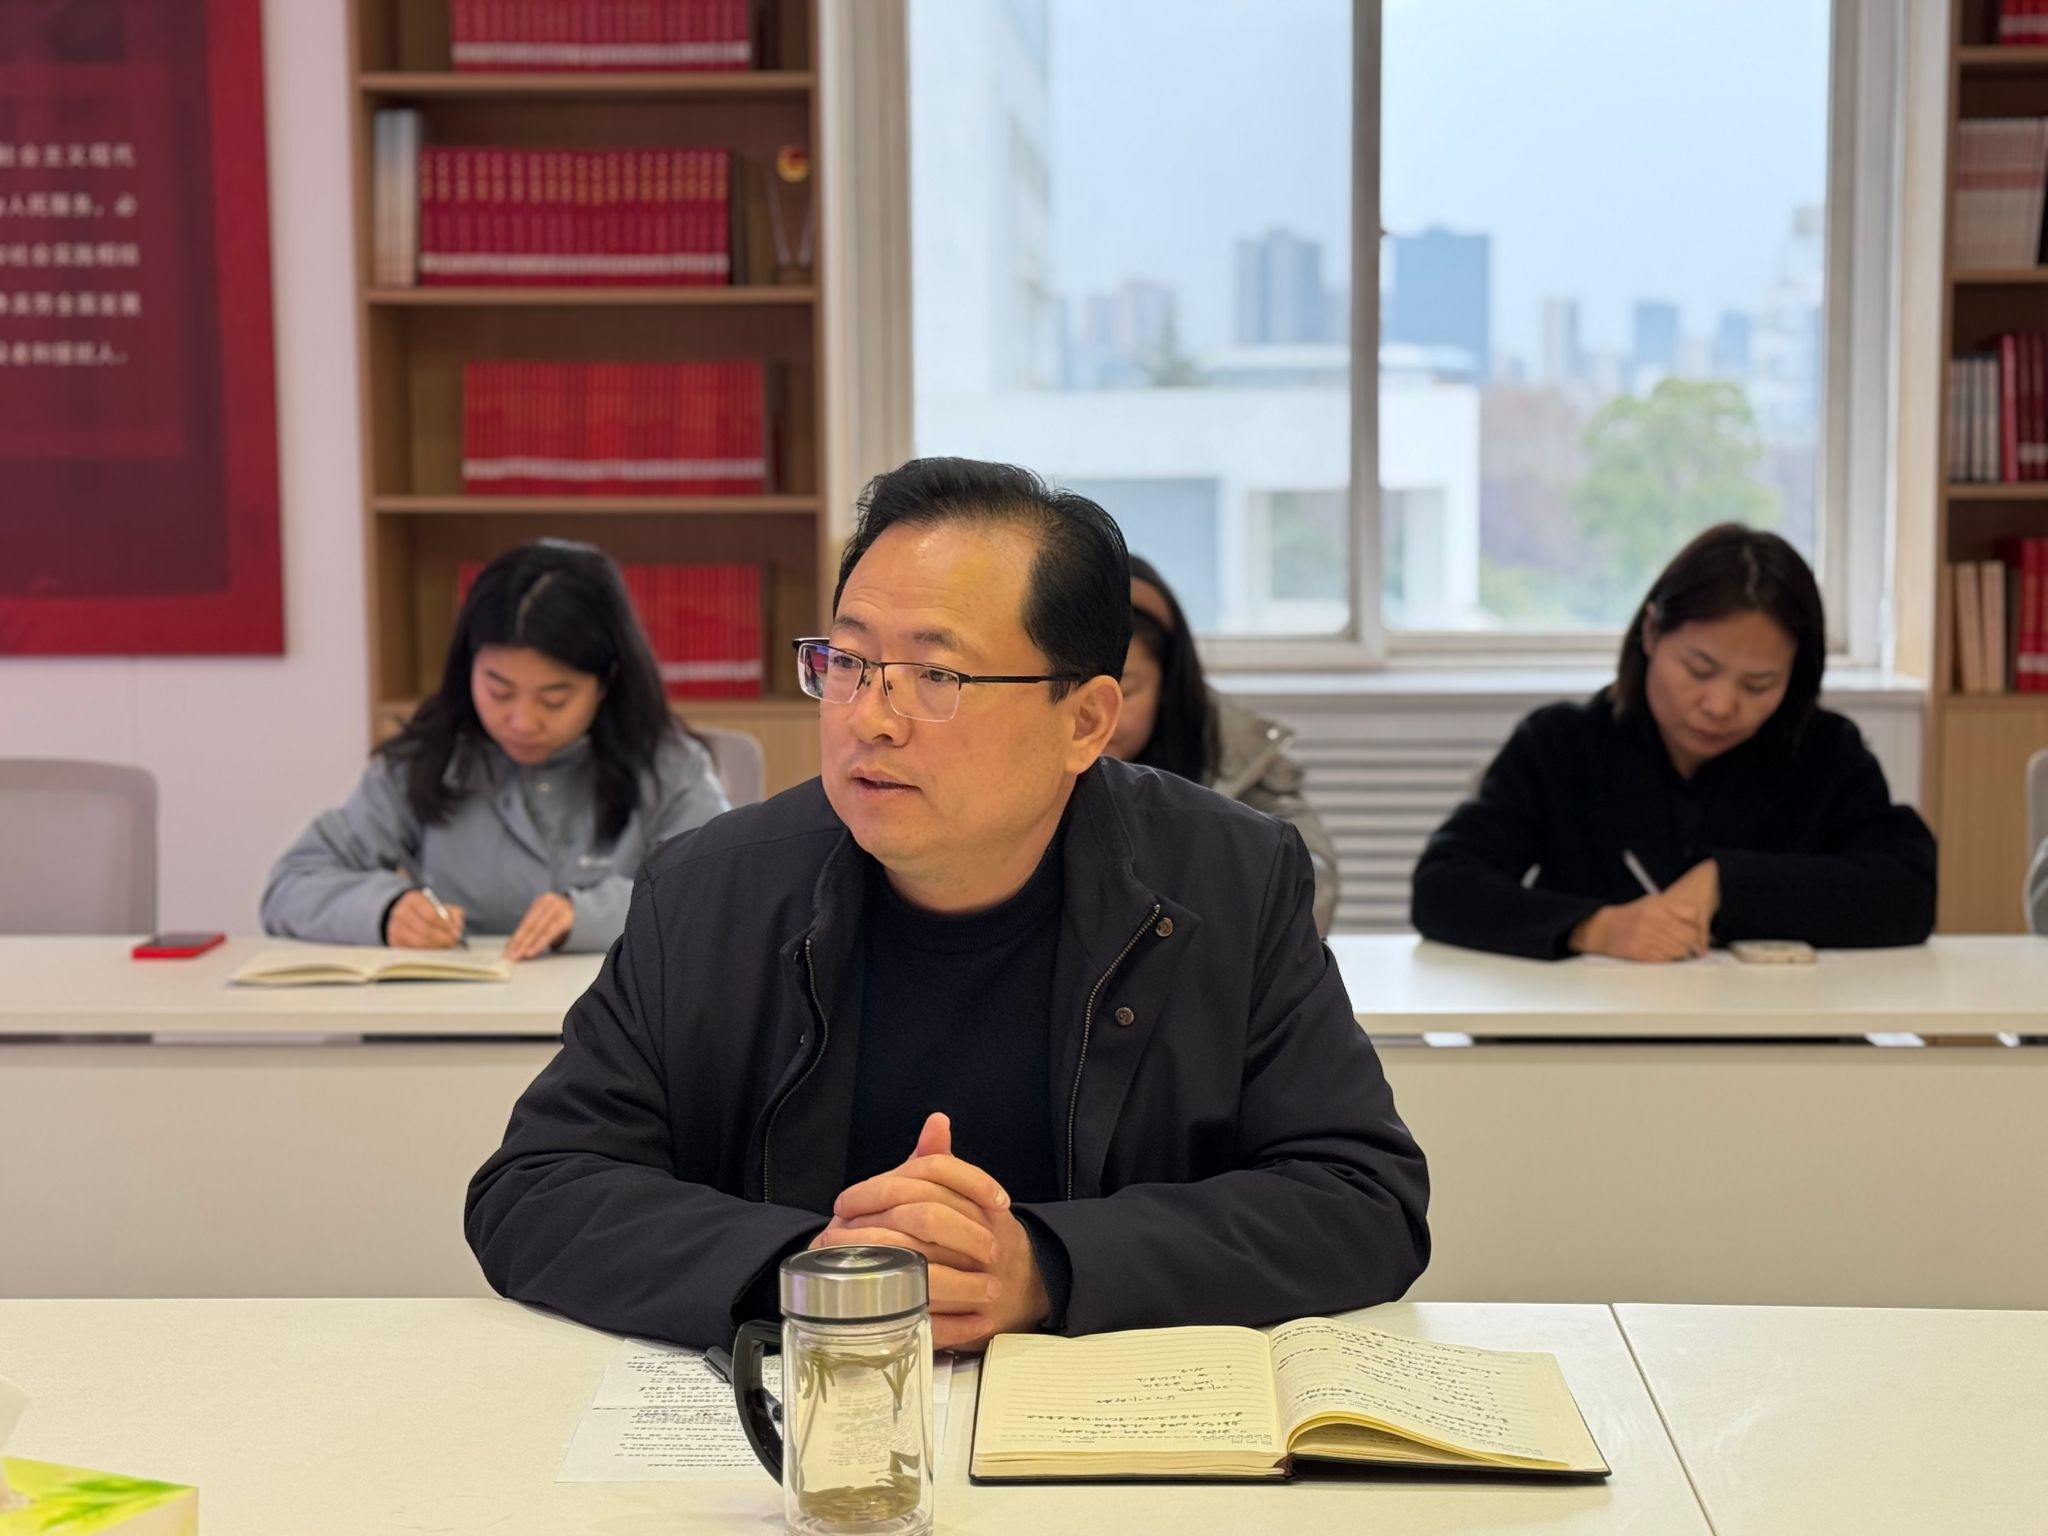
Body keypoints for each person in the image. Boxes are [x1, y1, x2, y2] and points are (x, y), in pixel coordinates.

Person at [465, 457, 1429, 1352]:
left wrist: (1048, 1268)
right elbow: (537, 1188)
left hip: (1109, 1429)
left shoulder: (1230, 878)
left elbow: (1362, 1200)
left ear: (1085, 721)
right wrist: (813, 1271)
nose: (869, 718)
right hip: (804, 1419)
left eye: (937, 676)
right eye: (847, 663)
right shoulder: (708, 892)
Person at [1411, 523, 1936, 962]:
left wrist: (1727, 883)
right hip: (1592, 1032)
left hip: (1772, 1036)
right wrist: (1594, 928)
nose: (1721, 705)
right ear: (1651, 633)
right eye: (1699, 670)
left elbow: (1909, 891)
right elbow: (1442, 886)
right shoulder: (1561, 745)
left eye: (1759, 685)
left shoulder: (1824, 751)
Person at [262, 540, 727, 960]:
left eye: (554, 699)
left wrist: (589, 918)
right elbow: (290, 886)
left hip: (619, 1023)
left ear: (607, 681)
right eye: (499, 691)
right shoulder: (426, 761)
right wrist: (384, 911)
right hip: (455, 1019)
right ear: (468, 666)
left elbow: (719, 895)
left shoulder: (670, 768)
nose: (522, 721)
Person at [1105, 556, 1340, 935]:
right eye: (1073, 689)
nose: (1098, 717)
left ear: (1167, 684)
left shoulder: (1238, 756)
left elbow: (1310, 888)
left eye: (1124, 691)